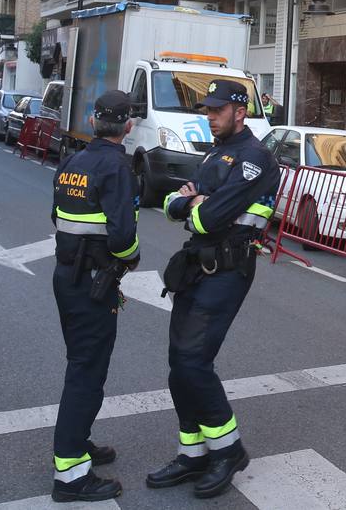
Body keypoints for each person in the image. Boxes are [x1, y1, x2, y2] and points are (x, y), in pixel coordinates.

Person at [147, 80, 281, 499]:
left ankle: (228, 450)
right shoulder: (216, 152)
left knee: (193, 361)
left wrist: (195, 204)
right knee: (178, 364)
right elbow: (171, 205)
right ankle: (194, 454)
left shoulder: (255, 159)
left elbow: (207, 219)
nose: (209, 116)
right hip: (196, 264)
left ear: (240, 112)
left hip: (227, 270)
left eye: (217, 110)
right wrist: (192, 202)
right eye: (207, 109)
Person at [49, 90, 140, 503]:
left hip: (67, 276)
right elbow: (123, 237)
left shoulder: (74, 160)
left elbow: (58, 216)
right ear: (128, 126)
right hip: (95, 282)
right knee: (87, 373)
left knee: (79, 362)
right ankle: (70, 474)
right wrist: (131, 259)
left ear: (91, 121)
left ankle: (79, 443)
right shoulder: (117, 167)